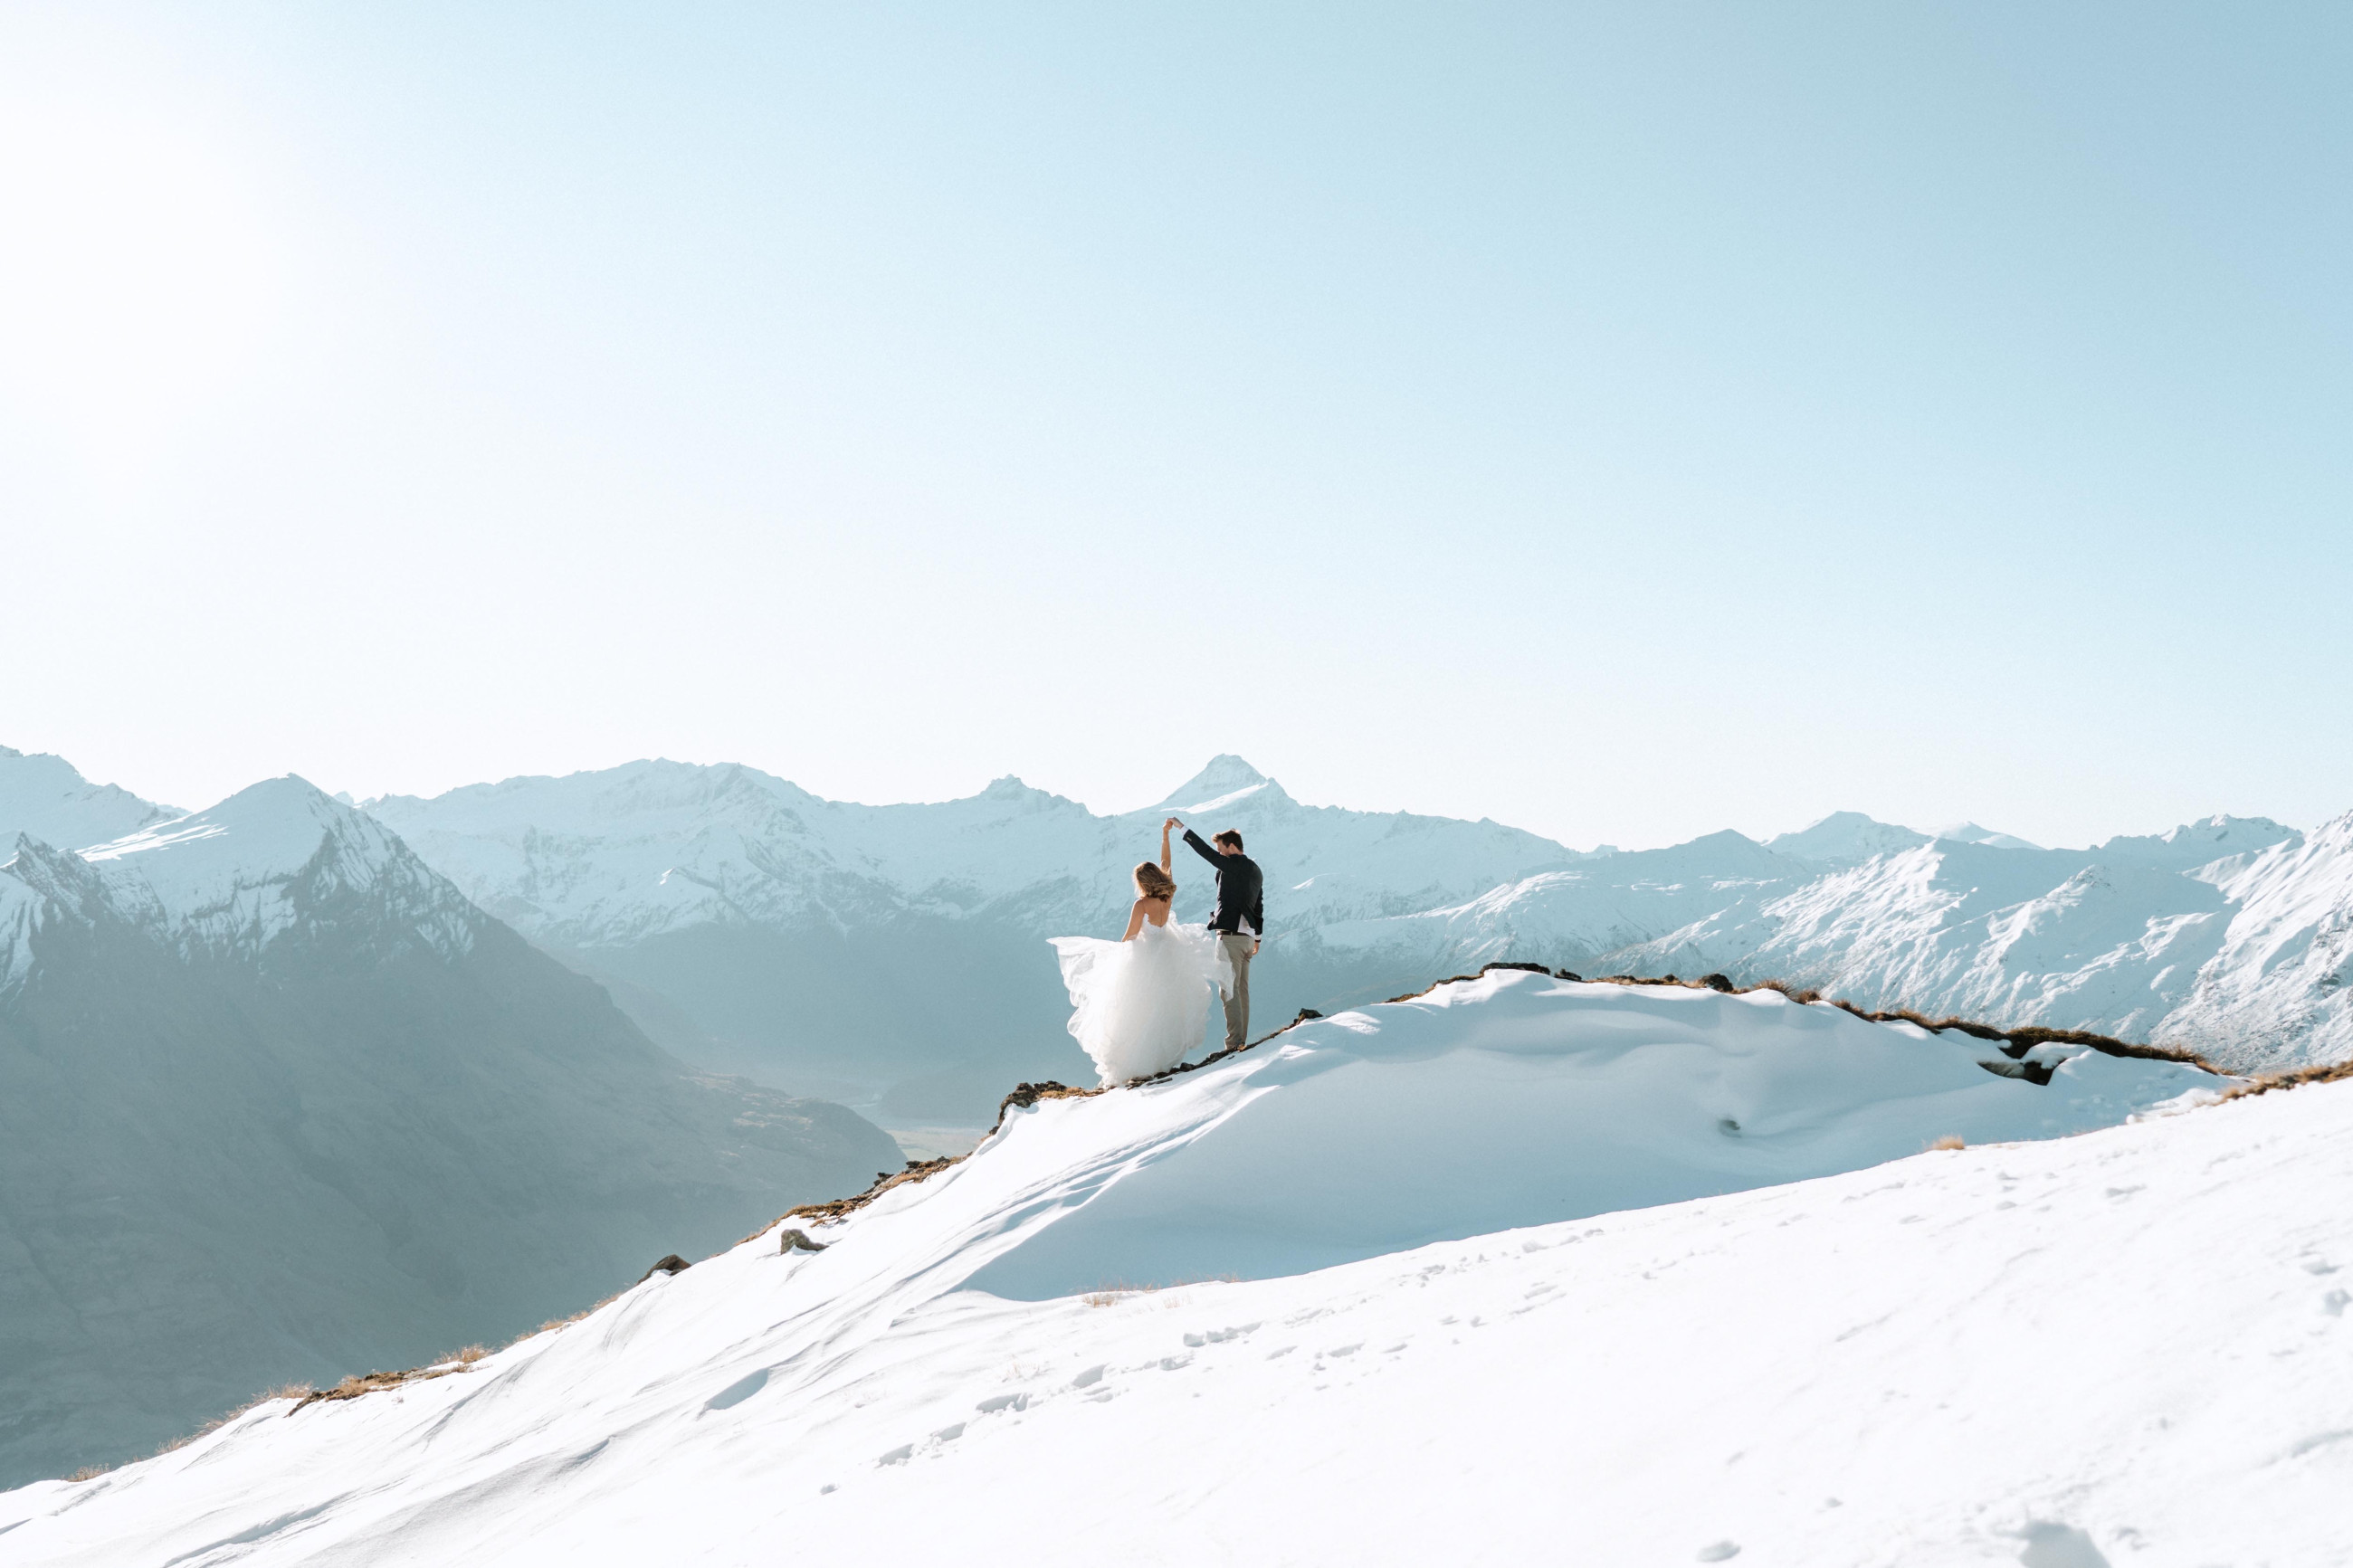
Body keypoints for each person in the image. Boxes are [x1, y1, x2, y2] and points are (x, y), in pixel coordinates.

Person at [1047, 821, 1234, 1086]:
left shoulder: (1142, 904)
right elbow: (1166, 863)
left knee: (1135, 1013)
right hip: (1168, 956)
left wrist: (1115, 955)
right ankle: (1159, 1061)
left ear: (1142, 883)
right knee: (1161, 1010)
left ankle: (1136, 1065)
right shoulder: (1167, 896)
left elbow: (1130, 936)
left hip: (1145, 959)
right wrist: (1165, 836)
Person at [1167, 816, 1263, 1050]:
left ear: (1231, 847)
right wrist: (1258, 937)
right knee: (1241, 991)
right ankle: (1241, 1041)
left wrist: (1181, 828)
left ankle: (1234, 1042)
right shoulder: (1255, 870)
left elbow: (1206, 853)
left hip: (1230, 938)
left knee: (1228, 990)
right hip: (1247, 938)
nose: (1219, 854)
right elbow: (1258, 905)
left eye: (1221, 849)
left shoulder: (1233, 865)